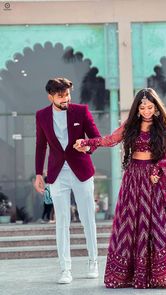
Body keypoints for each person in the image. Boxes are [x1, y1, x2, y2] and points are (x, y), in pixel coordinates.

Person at [74, 88, 166, 289]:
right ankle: (130, 274)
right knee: (131, 225)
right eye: (142, 107)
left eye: (150, 107)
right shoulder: (131, 126)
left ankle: (163, 274)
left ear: (156, 108)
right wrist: (87, 142)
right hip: (133, 179)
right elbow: (111, 139)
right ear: (137, 109)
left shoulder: (164, 128)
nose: (146, 110)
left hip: (155, 181)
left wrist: (158, 167)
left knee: (158, 224)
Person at [34, 77, 100, 284]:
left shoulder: (81, 111)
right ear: (51, 96)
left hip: (81, 170)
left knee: (87, 217)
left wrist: (87, 146)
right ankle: (65, 269)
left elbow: (96, 138)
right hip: (57, 173)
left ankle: (93, 261)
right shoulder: (42, 115)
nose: (66, 99)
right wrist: (38, 174)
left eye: (68, 95)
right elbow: (40, 146)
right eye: (61, 95)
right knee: (62, 220)